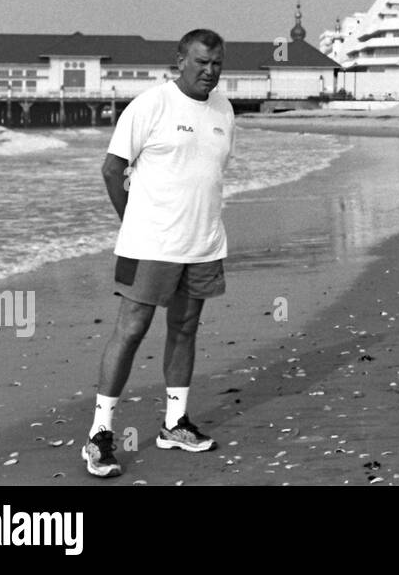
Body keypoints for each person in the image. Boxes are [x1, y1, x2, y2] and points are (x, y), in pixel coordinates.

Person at [82, 29, 236, 478]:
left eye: (217, 64)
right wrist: (132, 224)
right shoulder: (150, 105)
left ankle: (174, 423)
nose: (210, 71)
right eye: (201, 62)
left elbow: (209, 173)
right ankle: (99, 433)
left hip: (203, 243)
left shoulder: (225, 110)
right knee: (131, 330)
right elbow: (113, 169)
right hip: (150, 244)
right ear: (180, 61)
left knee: (185, 328)